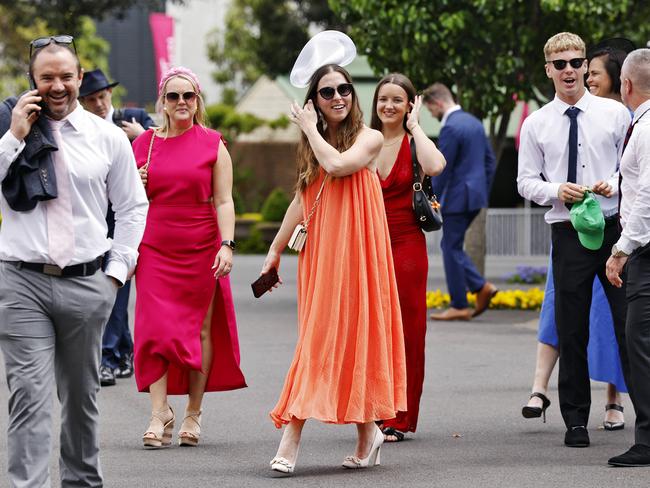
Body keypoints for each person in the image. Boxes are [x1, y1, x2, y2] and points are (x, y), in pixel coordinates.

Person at [0, 36, 148, 486]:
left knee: (82, 400)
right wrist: (14, 138)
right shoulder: (11, 131)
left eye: (66, 76)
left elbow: (132, 208)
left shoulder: (107, 137)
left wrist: (116, 276)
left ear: (80, 79)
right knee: (29, 398)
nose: (57, 85)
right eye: (47, 77)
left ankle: (81, 482)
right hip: (21, 282)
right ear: (33, 82)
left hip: (88, 283)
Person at [261, 31, 406, 475]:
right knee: (320, 336)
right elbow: (303, 197)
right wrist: (274, 249)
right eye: (327, 92)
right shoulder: (315, 144)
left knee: (353, 335)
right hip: (324, 252)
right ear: (316, 99)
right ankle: (366, 434)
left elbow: (338, 166)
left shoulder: (370, 137)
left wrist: (308, 127)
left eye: (344, 88)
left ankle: (298, 434)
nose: (339, 96)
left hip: (360, 252)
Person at [517, 32, 631, 448]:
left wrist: (613, 183)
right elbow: (525, 181)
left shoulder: (615, 115)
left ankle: (645, 414)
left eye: (576, 62)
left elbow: (632, 167)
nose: (569, 70)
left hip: (613, 228)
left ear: (587, 66)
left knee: (630, 324)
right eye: (560, 64)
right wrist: (554, 190)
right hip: (568, 232)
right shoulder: (536, 123)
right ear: (547, 69)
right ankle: (576, 420)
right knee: (571, 328)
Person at [132, 66, 246, 449]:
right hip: (154, 246)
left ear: (197, 101)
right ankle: (158, 412)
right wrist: (138, 183)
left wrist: (226, 244)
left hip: (201, 246)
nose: (181, 103)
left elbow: (224, 200)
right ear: (162, 103)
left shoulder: (213, 143)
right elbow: (125, 201)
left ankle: (193, 414)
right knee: (153, 330)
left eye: (189, 96)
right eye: (173, 96)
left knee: (200, 330)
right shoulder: (143, 144)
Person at [370, 73, 445, 442]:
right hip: (366, 245)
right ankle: (371, 410)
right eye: (384, 99)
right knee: (371, 331)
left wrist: (416, 128)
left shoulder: (414, 142)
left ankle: (399, 417)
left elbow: (436, 166)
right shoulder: (364, 140)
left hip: (406, 246)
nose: (389, 106)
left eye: (398, 100)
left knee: (407, 332)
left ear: (409, 105)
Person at [79, 68, 155, 387]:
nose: (98, 103)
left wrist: (142, 135)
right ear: (82, 102)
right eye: (91, 99)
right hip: (96, 219)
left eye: (102, 96)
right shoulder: (81, 131)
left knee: (116, 288)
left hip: (131, 219)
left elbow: (170, 149)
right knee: (111, 290)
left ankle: (109, 357)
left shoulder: (134, 118)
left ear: (111, 94)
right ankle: (123, 350)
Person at [606, 47, 650, 467]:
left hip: (646, 251)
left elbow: (648, 198)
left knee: (640, 345)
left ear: (627, 84)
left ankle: (649, 440)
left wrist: (622, 249)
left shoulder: (647, 127)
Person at [423, 83, 497, 321]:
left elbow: (442, 168)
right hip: (475, 197)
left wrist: (432, 199)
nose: (433, 115)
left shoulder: (451, 128)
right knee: (452, 246)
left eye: (431, 110)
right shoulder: (474, 123)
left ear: (438, 103)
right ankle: (475, 290)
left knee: (450, 247)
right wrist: (480, 190)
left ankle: (462, 302)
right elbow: (489, 162)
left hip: (457, 197)